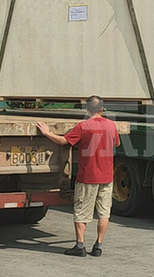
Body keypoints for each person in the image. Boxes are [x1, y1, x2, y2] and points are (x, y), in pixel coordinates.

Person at [37, 95, 120, 257]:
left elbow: (62, 141)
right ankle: (98, 246)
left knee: (82, 212)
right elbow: (117, 143)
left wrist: (47, 133)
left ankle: (80, 246)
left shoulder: (83, 127)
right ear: (102, 109)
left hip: (88, 177)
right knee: (104, 213)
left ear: (87, 109)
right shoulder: (111, 126)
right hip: (107, 177)